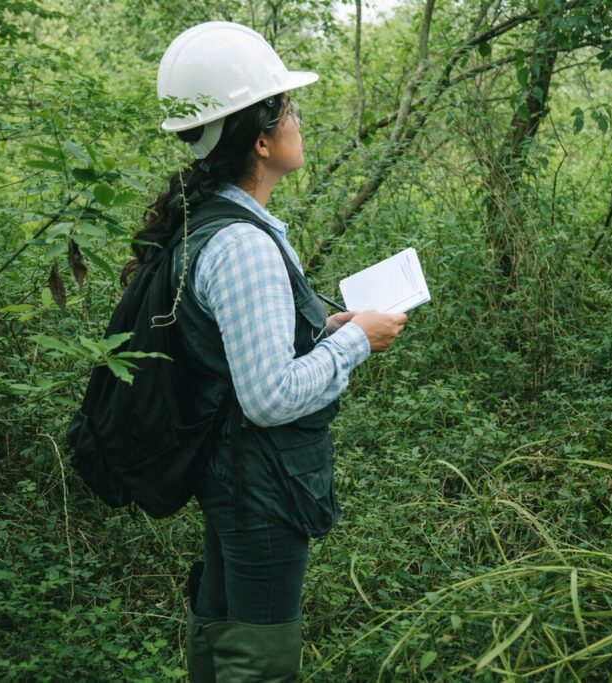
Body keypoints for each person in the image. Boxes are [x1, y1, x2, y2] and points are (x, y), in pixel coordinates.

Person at [128, 21, 408, 682]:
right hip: (260, 486)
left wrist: (325, 326)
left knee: (223, 634)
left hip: (234, 477)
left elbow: (232, 353)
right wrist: (353, 343)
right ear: (260, 139)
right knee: (261, 663)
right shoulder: (245, 244)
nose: (298, 118)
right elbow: (270, 395)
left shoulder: (211, 221)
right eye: (288, 108)